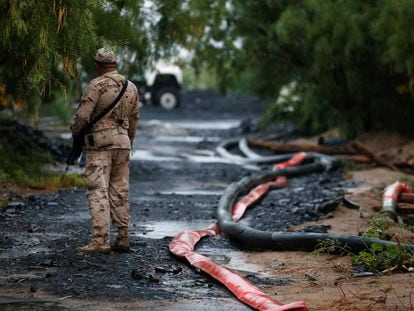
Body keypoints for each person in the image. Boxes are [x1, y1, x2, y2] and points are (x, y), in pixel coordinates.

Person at [70, 48, 140, 254]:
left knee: (97, 190)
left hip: (99, 145)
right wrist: (130, 140)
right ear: (115, 64)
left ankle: (100, 240)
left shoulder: (96, 85)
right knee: (120, 190)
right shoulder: (131, 87)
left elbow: (83, 117)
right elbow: (135, 119)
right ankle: (123, 236)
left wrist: (75, 135)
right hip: (123, 142)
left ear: (98, 65)